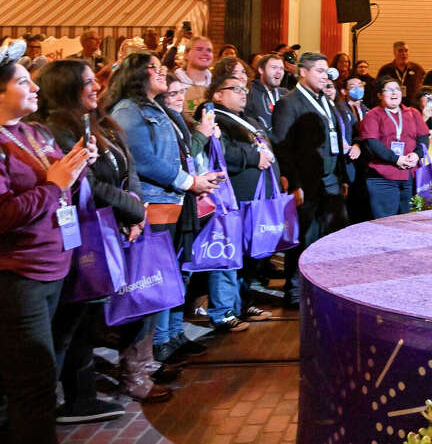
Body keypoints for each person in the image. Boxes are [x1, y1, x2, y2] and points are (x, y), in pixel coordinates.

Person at [35, 59, 163, 418]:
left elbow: (129, 166)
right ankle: (66, 399)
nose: (97, 86)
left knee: (83, 318)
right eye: (88, 82)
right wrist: (133, 210)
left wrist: (135, 203)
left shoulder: (100, 122)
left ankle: (80, 395)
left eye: (96, 79)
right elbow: (88, 183)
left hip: (112, 223)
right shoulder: (55, 129)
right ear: (65, 88)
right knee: (70, 321)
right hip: (80, 233)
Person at [0, 42, 91, 444]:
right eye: (23, 81)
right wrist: (55, 185)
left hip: (56, 266)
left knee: (39, 374)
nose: (35, 87)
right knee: (34, 382)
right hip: (19, 274)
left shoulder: (33, 130)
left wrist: (78, 169)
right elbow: (5, 214)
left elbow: (63, 183)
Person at [108, 55, 221, 366]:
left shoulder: (154, 107)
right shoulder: (129, 111)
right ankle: (146, 359)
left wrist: (194, 180)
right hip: (155, 204)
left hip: (173, 201)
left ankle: (168, 339)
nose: (161, 72)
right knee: (151, 282)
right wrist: (189, 181)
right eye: (153, 67)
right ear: (135, 74)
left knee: (171, 274)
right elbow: (143, 159)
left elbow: (177, 152)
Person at [194, 72, 277, 331]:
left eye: (244, 89)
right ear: (218, 94)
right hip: (233, 198)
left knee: (250, 254)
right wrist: (253, 157)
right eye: (235, 89)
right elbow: (222, 154)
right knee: (229, 255)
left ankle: (242, 302)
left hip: (257, 196)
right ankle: (224, 310)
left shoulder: (247, 119)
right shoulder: (214, 118)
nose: (243, 93)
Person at [273, 53, 350, 305]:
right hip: (306, 181)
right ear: (302, 72)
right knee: (305, 236)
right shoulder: (289, 102)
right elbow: (282, 147)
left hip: (330, 178)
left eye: (326, 71)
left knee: (329, 233)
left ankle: (323, 285)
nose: (324, 75)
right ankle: (294, 290)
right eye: (318, 70)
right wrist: (293, 184)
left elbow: (334, 137)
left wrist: (341, 176)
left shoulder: (325, 100)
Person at [357, 78, 429, 218]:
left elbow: (423, 137)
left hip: (410, 175)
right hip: (383, 177)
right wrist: (396, 159)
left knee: (409, 221)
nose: (394, 93)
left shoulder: (413, 113)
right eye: (388, 90)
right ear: (379, 95)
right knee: (386, 223)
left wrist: (416, 155)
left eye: (397, 89)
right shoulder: (373, 115)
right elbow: (372, 143)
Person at [247, 53, 286, 142]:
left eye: (281, 68)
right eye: (274, 67)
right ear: (261, 69)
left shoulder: (286, 94)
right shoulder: (249, 93)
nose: (278, 71)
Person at [174, 36, 214, 116]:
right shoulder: (173, 84)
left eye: (209, 50)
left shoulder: (217, 85)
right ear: (186, 54)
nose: (205, 53)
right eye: (199, 49)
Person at [376, 41, 425, 107]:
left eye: (406, 51)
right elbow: (376, 91)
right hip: (391, 109)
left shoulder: (417, 69)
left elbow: (425, 89)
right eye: (400, 51)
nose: (404, 54)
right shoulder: (385, 70)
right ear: (394, 53)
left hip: (413, 109)